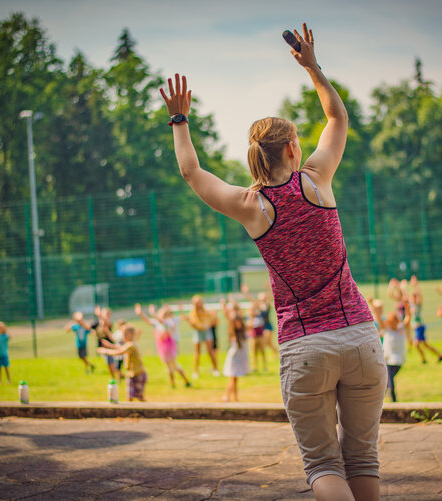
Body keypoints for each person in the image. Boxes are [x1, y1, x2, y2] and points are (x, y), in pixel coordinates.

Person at [161, 23, 386, 500]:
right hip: (360, 338)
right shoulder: (316, 180)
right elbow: (338, 119)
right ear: (291, 149)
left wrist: (180, 120)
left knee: (324, 465)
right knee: (363, 459)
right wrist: (312, 67)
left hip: (305, 347)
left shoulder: (251, 206)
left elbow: (191, 171)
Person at [136, 303, 191, 388]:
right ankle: (174, 383)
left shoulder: (169, 322)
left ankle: (184, 381)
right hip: (162, 346)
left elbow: (163, 322)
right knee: (168, 366)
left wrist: (153, 313)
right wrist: (140, 313)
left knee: (173, 364)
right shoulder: (156, 322)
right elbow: (147, 320)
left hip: (169, 346)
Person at [98, 325, 146, 401]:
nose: (123, 337)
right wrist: (109, 345)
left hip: (139, 373)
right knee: (129, 396)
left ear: (129, 335)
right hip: (131, 373)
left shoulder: (131, 345)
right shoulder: (130, 344)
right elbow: (120, 348)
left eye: (124, 335)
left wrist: (105, 351)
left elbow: (119, 352)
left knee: (140, 396)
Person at [182, 295, 220, 378]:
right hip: (198, 332)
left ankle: (215, 369)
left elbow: (213, 321)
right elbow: (194, 325)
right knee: (197, 353)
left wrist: (213, 316)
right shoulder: (193, 313)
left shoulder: (206, 312)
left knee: (210, 351)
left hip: (207, 332)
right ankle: (196, 371)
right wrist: (189, 320)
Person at [220, 298, 249, 402]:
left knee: (234, 377)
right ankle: (228, 396)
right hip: (236, 351)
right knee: (233, 376)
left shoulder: (236, 319)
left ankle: (233, 397)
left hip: (238, 350)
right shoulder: (235, 319)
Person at [379, 302, 408, 402]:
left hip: (398, 361)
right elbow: (379, 319)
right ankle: (393, 400)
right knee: (389, 381)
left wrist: (407, 306)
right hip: (387, 360)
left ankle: (383, 397)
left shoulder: (401, 328)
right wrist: (373, 306)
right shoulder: (387, 329)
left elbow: (408, 318)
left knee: (387, 381)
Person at [241, 283, 279, 356]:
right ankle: (275, 352)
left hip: (268, 326)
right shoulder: (258, 305)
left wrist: (268, 289)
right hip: (262, 326)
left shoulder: (267, 305)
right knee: (268, 343)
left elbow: (270, 297)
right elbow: (251, 299)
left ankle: (275, 353)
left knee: (267, 342)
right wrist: (246, 293)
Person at [408, 289, 442, 364]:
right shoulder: (411, 305)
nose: (413, 299)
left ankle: (424, 359)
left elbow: (420, 296)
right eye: (412, 297)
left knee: (416, 344)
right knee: (425, 345)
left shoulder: (418, 305)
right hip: (416, 328)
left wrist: (416, 286)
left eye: (414, 297)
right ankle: (439, 355)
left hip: (420, 327)